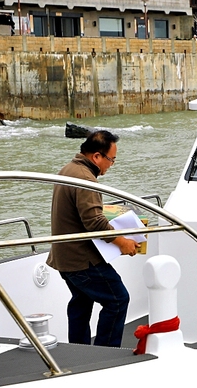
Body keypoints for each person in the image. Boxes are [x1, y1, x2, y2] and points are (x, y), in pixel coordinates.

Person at [48, 130, 139, 347]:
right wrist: (123, 242)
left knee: (81, 303)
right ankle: (106, 353)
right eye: (111, 160)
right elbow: (94, 222)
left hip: (64, 258)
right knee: (117, 299)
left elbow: (82, 214)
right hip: (81, 259)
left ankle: (79, 352)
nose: (111, 165)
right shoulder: (86, 179)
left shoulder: (68, 170)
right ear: (97, 157)